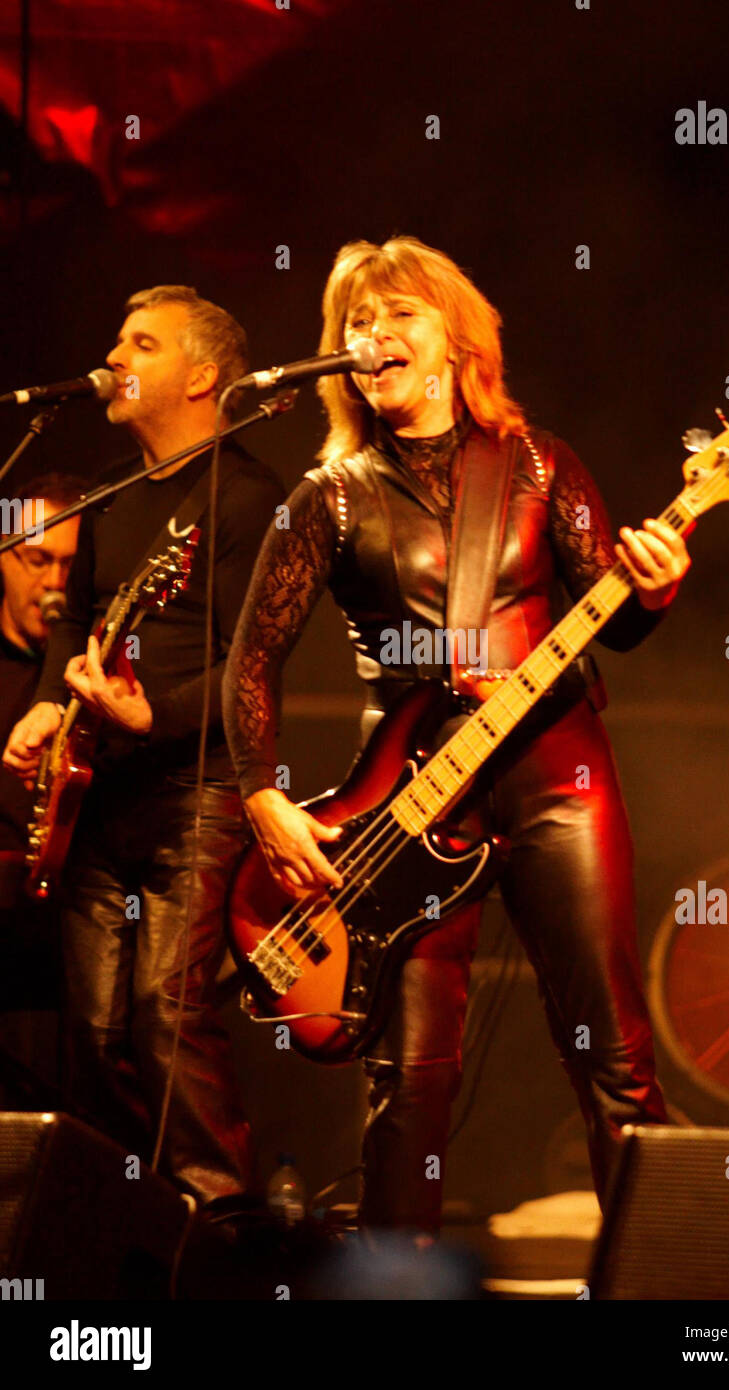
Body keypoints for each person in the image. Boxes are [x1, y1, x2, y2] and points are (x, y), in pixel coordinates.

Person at [223, 237, 692, 1236]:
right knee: (409, 1074)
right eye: (357, 321)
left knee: (613, 1052)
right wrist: (262, 795)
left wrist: (654, 585)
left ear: (456, 339)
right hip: (403, 800)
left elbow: (621, 611)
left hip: (553, 769)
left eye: (400, 314)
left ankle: (675, 1287)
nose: (374, 336)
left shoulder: (538, 463)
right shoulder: (331, 494)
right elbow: (250, 660)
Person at [3, 286, 284, 1214]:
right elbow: (74, 619)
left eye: (142, 343)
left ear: (201, 375)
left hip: (193, 792)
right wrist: (48, 707)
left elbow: (252, 669)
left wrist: (149, 718)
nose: (115, 356)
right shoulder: (113, 498)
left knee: (167, 1013)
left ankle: (227, 1222)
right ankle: (132, 1216)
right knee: (89, 1031)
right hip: (98, 794)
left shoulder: (249, 498)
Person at [0, 474, 83, 1099]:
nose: (55, 584)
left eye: (72, 566)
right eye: (37, 559)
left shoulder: (100, 678)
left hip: (75, 925)